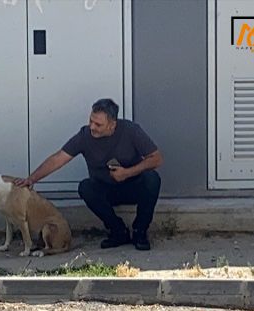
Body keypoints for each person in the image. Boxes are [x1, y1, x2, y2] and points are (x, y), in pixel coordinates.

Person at [14, 98, 163, 251]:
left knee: (152, 179)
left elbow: (157, 159)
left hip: (132, 185)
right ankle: (118, 231)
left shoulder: (131, 130)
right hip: (106, 189)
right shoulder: (85, 136)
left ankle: (140, 232)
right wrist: (32, 179)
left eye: (98, 124)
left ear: (112, 125)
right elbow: (59, 158)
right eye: (91, 121)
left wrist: (127, 173)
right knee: (85, 187)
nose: (92, 127)